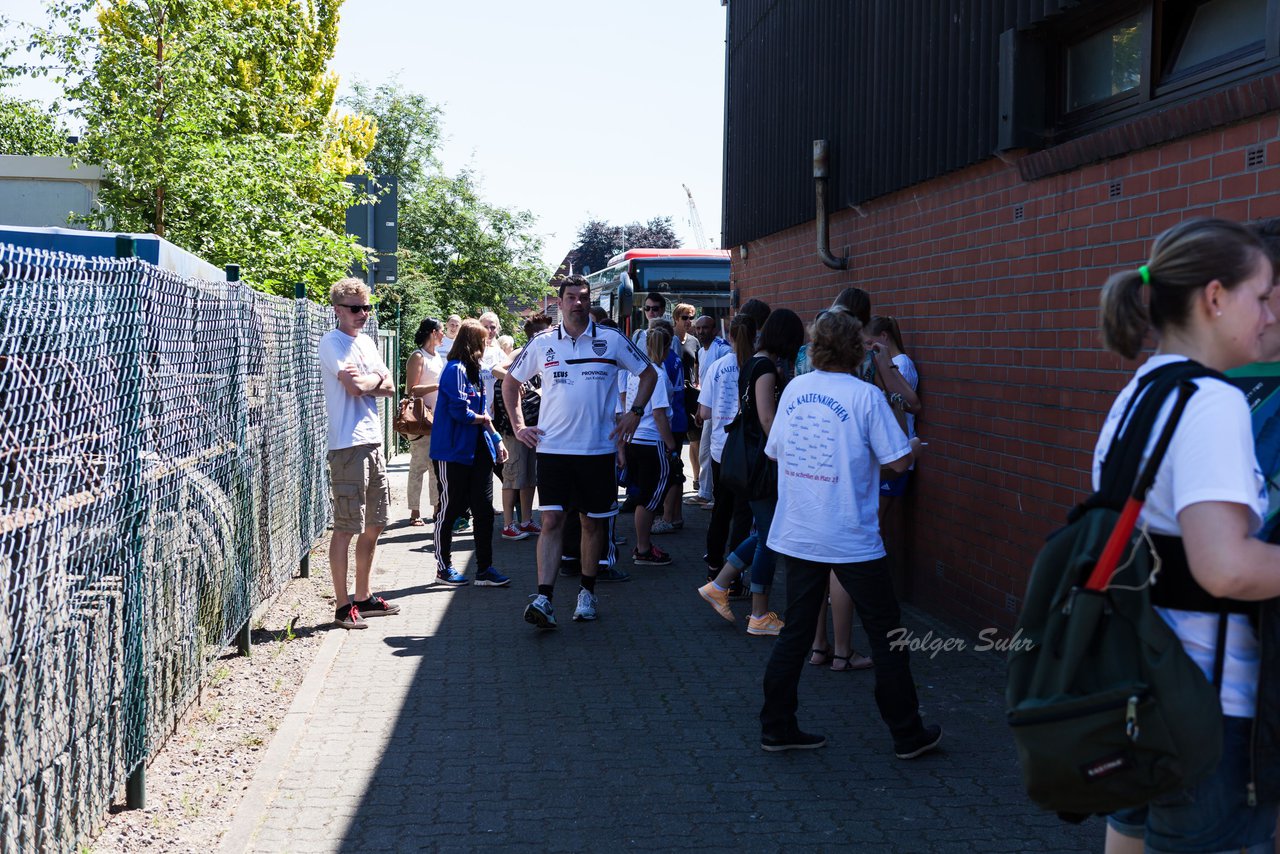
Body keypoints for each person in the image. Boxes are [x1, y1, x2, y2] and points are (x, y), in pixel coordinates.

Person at [1095, 218, 1280, 854]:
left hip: (1139, 686)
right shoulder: (1211, 402)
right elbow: (1224, 568)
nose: (1267, 316)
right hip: (1207, 707)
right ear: (1215, 297)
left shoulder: (1142, 392)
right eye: (1261, 297)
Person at [759, 306, 938, 758]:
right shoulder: (865, 397)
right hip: (850, 536)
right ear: (857, 349)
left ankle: (776, 726)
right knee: (885, 632)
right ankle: (906, 732)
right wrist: (912, 446)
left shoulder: (796, 388)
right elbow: (898, 461)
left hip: (798, 530)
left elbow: (776, 450)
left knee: (796, 630)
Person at [504, 274, 657, 629]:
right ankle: (544, 597)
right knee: (551, 521)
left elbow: (648, 374)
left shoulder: (612, 339)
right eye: (571, 297)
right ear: (559, 304)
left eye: (583, 297)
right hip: (554, 450)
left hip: (597, 451)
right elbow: (510, 381)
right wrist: (518, 427)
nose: (577, 303)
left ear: (590, 301)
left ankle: (587, 592)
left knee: (592, 523)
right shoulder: (543, 343)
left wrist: (634, 414)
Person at [697, 308, 805, 636]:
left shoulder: (754, 361)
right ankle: (759, 613)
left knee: (764, 532)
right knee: (769, 539)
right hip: (763, 464)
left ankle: (719, 585)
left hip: (752, 461)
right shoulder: (766, 367)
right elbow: (767, 419)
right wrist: (790, 455)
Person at [317, 278, 401, 629]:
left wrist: (368, 382)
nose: (362, 314)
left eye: (367, 307)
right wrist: (371, 381)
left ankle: (364, 597)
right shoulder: (332, 342)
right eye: (355, 308)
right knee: (346, 526)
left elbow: (391, 386)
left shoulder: (366, 342)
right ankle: (342, 605)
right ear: (337, 309)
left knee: (375, 523)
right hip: (347, 445)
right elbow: (353, 387)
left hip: (372, 442)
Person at [429, 319, 510, 588]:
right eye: (483, 341)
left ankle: (485, 569)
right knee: (450, 509)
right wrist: (485, 422)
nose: (487, 345)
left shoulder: (477, 371)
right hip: (452, 452)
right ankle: (444, 567)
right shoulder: (455, 370)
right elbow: (460, 413)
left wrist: (496, 439)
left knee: (484, 510)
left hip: (478, 452)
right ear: (472, 342)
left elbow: (483, 413)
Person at [492, 314, 551, 541]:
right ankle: (508, 524)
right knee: (513, 476)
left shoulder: (550, 351)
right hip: (515, 428)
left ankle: (526, 521)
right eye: (547, 330)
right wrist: (517, 380)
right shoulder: (522, 352)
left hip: (536, 426)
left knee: (530, 477)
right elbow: (497, 368)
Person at [627, 324, 679, 565]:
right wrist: (672, 446)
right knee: (650, 498)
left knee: (643, 496)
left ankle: (643, 545)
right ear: (666, 348)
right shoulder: (657, 374)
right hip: (651, 442)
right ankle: (643, 548)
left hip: (634, 440)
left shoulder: (636, 374)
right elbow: (659, 414)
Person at [687, 314, 732, 507]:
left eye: (705, 328)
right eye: (698, 328)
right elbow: (704, 384)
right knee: (705, 451)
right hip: (707, 409)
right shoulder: (702, 352)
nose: (700, 332)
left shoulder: (723, 350)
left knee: (716, 453)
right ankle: (705, 492)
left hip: (722, 411)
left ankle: (714, 495)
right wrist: (699, 408)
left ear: (714, 330)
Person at [404, 317, 446, 526]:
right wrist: (438, 386)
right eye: (441, 331)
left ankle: (437, 508)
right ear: (432, 332)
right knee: (418, 465)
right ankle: (414, 511)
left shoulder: (437, 356)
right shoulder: (418, 356)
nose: (443, 335)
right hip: (420, 420)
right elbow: (411, 389)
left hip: (438, 420)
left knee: (435, 467)